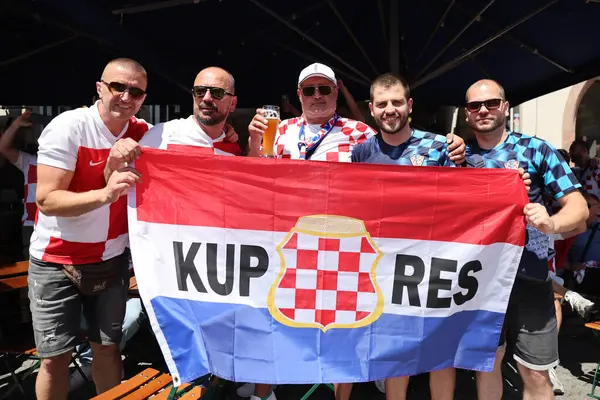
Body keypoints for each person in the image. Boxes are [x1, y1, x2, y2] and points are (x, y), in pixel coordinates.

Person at [247, 64, 465, 400]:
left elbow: (399, 156)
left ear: (337, 93)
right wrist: (251, 142)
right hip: (288, 243)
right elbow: (254, 176)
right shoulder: (281, 130)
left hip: (341, 246)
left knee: (340, 327)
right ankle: (265, 392)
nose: (317, 96)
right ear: (299, 95)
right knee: (276, 319)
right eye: (309, 90)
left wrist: (455, 147)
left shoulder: (360, 135)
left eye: (324, 89)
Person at [29, 58, 152, 400]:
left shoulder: (143, 131)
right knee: (55, 360)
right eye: (118, 86)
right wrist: (107, 193)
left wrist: (231, 131)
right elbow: (47, 200)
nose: (126, 96)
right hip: (56, 260)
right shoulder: (68, 127)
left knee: (109, 350)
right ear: (99, 87)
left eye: (136, 91)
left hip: (111, 261)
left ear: (143, 98)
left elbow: (191, 136)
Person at [463, 79, 588, 400]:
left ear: (506, 107)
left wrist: (550, 222)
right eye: (475, 106)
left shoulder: (536, 149)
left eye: (491, 103)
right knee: (486, 365)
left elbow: (579, 209)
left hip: (530, 278)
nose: (483, 110)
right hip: (478, 282)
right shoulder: (456, 158)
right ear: (466, 115)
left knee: (535, 372)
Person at [350, 72, 470, 400]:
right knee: (396, 350)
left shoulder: (439, 146)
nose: (390, 109)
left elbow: (466, 198)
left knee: (440, 350)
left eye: (397, 102)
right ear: (371, 109)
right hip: (385, 267)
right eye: (382, 104)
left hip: (434, 263)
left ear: (409, 105)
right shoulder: (360, 153)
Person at [0, 111, 36, 259]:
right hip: (31, 224)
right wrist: (15, 124)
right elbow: (3, 148)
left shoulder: (70, 164)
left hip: (60, 225)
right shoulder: (31, 161)